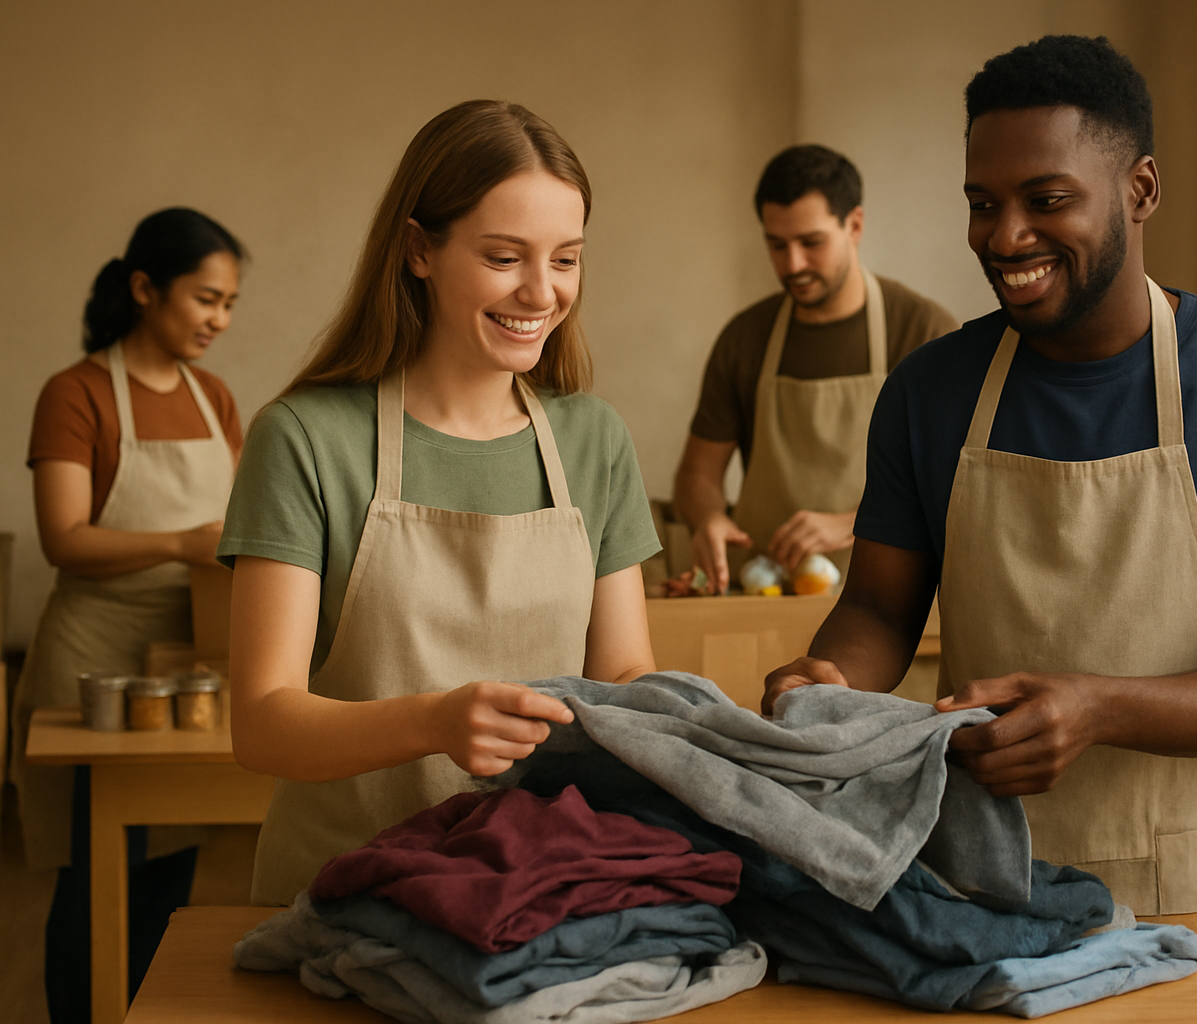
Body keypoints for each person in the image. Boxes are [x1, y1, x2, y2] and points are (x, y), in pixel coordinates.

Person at [764, 36, 1197, 917]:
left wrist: (1099, 710)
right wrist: (827, 681)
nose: (1005, 237)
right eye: (982, 202)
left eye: (1047, 200)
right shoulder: (929, 392)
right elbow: (880, 609)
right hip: (983, 880)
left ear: (1141, 190)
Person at [218, 100, 661, 907]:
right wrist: (434, 723)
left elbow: (623, 674)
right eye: (503, 257)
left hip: (525, 900)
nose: (542, 291)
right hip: (340, 905)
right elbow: (262, 722)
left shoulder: (594, 440)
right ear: (419, 249)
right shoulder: (305, 439)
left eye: (566, 259)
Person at [12, 207, 246, 1021]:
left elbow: (244, 527)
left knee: (169, 870)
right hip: (95, 663)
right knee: (94, 875)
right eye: (205, 299)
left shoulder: (215, 398)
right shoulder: (75, 393)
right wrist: (186, 541)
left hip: (189, 660)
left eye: (229, 305)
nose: (218, 320)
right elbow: (65, 539)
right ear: (145, 288)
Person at [673, 145, 958, 594]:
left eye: (811, 243)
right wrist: (708, 517)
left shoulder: (923, 329)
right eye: (777, 245)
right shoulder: (745, 338)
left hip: (892, 601)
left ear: (855, 225)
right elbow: (697, 475)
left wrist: (855, 523)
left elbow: (956, 483)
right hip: (766, 597)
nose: (793, 265)